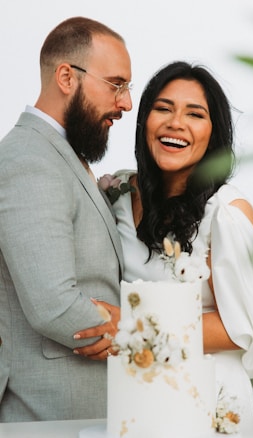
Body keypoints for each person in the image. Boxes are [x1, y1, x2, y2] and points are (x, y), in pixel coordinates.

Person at [75, 61, 253, 426]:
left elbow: (241, 329)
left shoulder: (225, 213)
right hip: (134, 397)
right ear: (144, 121)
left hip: (207, 401)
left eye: (195, 114)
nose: (176, 123)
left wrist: (129, 323)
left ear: (214, 134)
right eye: (163, 109)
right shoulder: (117, 197)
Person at [0, 16, 132, 422]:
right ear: (66, 77)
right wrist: (142, 330)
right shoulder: (29, 160)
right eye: (116, 85)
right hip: (49, 417)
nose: (126, 103)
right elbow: (55, 307)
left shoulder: (62, 155)